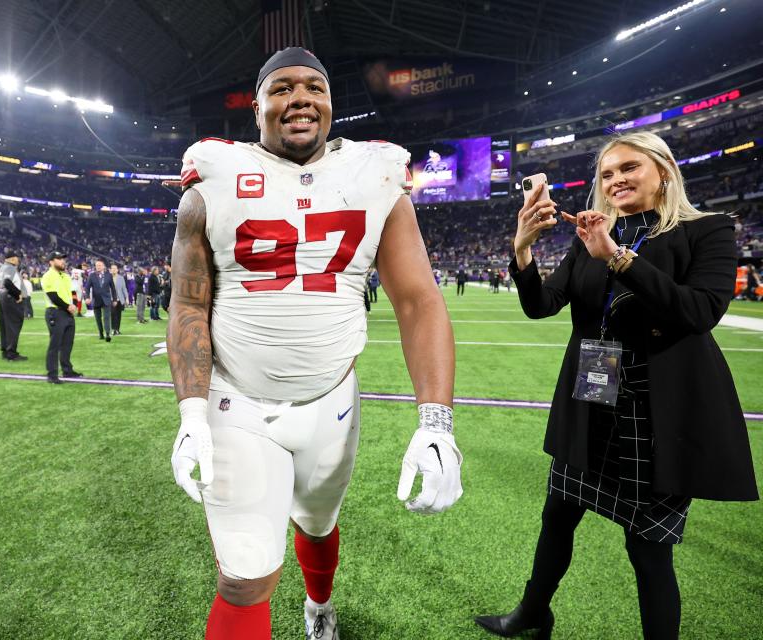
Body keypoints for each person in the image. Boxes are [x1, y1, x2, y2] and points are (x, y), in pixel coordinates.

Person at [167, 47, 461, 640]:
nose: (299, 97)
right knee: (244, 580)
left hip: (333, 403)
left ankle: (319, 605)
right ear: (257, 108)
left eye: (314, 88)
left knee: (319, 525)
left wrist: (437, 423)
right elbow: (190, 301)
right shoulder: (214, 177)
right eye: (281, 88)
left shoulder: (375, 176)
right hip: (238, 404)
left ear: (330, 105)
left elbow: (418, 301)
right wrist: (191, 413)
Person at [475, 131, 758, 640]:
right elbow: (542, 304)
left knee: (647, 549)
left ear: (664, 171)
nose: (616, 180)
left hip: (656, 413)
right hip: (592, 396)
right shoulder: (594, 234)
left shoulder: (707, 229)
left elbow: (700, 311)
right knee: (558, 514)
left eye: (629, 168)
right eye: (607, 174)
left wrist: (617, 256)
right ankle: (533, 613)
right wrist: (522, 250)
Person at [40, 251, 82, 384]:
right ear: (51, 261)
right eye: (59, 259)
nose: (63, 261)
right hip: (56, 312)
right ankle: (52, 375)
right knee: (55, 345)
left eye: (63, 259)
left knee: (68, 343)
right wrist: (67, 306)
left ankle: (67, 370)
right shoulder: (48, 276)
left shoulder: (65, 275)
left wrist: (74, 305)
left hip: (67, 312)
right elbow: (52, 296)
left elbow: (73, 292)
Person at [0, 251, 27, 361]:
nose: (18, 260)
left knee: (5, 325)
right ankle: (11, 353)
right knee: (13, 325)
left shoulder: (2, 268)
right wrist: (17, 294)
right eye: (17, 258)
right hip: (11, 298)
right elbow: (7, 282)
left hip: (3, 296)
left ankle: (5, 351)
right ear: (13, 259)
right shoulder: (10, 268)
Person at [85, 259, 119, 341]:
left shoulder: (109, 275)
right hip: (96, 300)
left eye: (100, 265)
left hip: (106, 299)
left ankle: (107, 334)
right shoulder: (91, 275)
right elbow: (87, 288)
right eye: (97, 265)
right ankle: (101, 333)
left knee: (106, 317)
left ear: (103, 266)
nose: (98, 267)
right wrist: (87, 297)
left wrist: (114, 299)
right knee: (98, 318)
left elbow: (113, 288)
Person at [110, 264, 126, 335]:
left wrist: (127, 298)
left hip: (120, 299)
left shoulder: (121, 278)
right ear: (110, 270)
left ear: (117, 270)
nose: (113, 270)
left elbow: (124, 288)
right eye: (112, 268)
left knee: (119, 315)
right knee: (113, 314)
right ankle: (114, 329)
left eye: (115, 268)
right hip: (111, 299)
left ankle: (117, 329)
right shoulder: (108, 278)